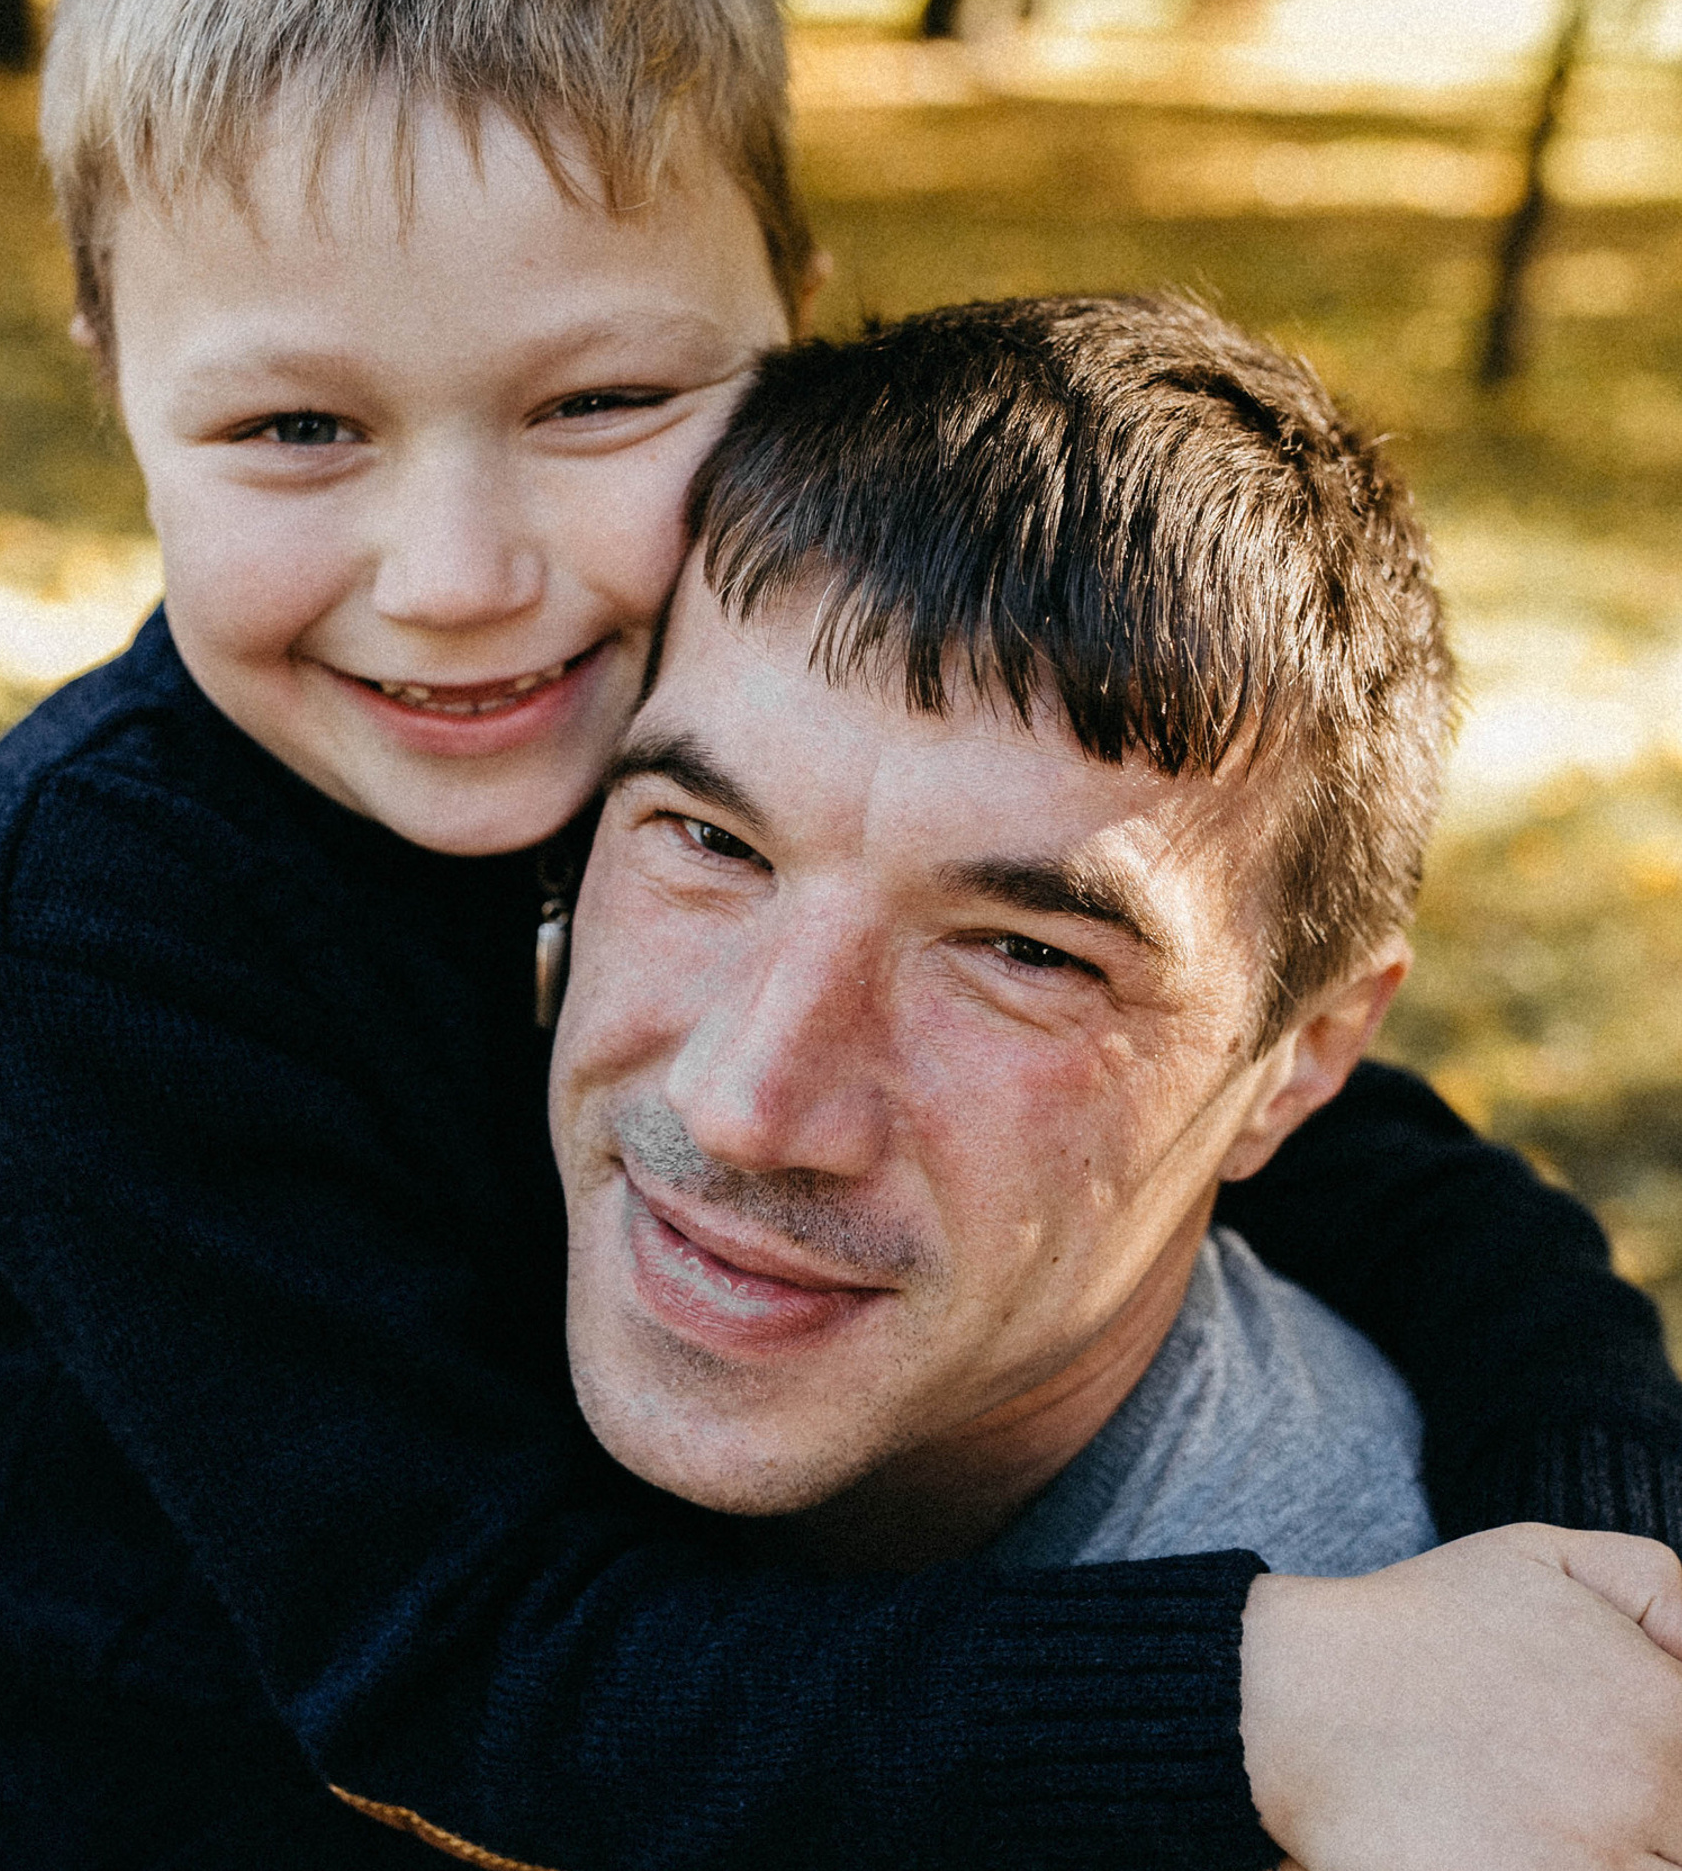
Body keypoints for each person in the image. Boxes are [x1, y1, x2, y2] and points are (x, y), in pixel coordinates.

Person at [0, 0, 1679, 1867]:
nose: (456, 580)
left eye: (599, 398)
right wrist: (1269, 1693)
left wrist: (1600, 1573)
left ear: (790, 329)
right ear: (112, 370)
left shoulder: (708, 697)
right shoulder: (85, 933)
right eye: (294, 431)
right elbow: (481, 1666)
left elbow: (1401, 1188)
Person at [553, 293, 1456, 1590]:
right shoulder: (324, 1204)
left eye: (1025, 956)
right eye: (711, 843)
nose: (747, 1107)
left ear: (1303, 1057)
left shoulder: (1400, 1700)